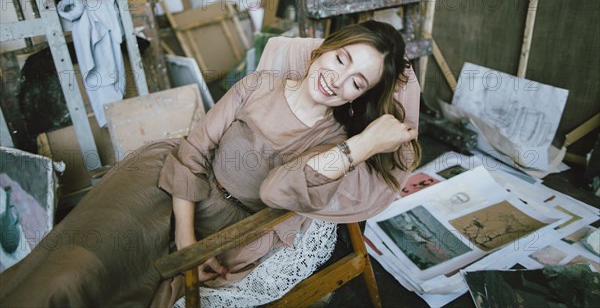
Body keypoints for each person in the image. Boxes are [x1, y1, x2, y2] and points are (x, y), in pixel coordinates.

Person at [0, 20, 420, 307]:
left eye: (356, 83)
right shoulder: (259, 85)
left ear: (355, 99)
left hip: (232, 230)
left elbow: (278, 191)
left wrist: (361, 145)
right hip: (170, 190)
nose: (338, 79)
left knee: (131, 292)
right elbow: (194, 151)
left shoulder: (333, 143)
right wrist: (187, 244)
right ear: (324, 49)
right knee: (70, 273)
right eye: (341, 59)